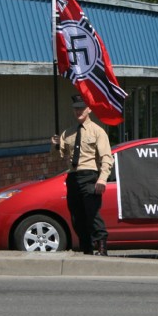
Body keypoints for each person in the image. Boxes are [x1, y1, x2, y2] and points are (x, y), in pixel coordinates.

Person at [51, 95, 113, 256]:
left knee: (92, 214)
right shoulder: (68, 133)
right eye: (75, 109)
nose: (78, 111)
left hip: (90, 176)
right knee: (77, 218)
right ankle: (87, 248)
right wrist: (55, 146)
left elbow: (107, 157)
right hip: (73, 177)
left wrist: (102, 178)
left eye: (81, 108)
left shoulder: (97, 131)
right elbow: (58, 156)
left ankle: (102, 247)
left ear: (89, 109)